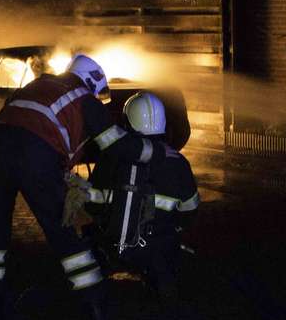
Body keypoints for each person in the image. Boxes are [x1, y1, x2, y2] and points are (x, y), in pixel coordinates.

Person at [0, 54, 158, 320]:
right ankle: (93, 300)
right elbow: (116, 145)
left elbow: (13, 123)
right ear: (92, 81)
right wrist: (155, 151)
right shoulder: (83, 98)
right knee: (63, 228)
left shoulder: (32, 87)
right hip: (35, 157)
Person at [82, 91, 199, 300]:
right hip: (158, 246)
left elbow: (92, 206)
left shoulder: (112, 158)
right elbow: (190, 210)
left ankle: (95, 296)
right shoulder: (178, 162)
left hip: (111, 244)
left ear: (127, 122)